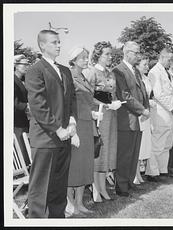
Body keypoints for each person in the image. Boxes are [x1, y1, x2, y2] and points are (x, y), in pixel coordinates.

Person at [25, 30, 77, 218]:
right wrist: (57, 129)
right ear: (42, 45)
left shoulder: (65, 70)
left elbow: (72, 99)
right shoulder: (35, 70)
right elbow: (38, 105)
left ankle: (57, 219)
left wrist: (72, 123)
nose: (59, 45)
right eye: (54, 42)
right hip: (45, 139)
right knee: (40, 189)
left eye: (59, 42)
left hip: (64, 137)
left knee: (58, 186)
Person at [84, 41, 121, 201]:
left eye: (111, 54)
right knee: (99, 151)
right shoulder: (91, 72)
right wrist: (105, 104)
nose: (110, 57)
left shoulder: (111, 73)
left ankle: (103, 187)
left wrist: (116, 102)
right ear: (98, 55)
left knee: (108, 152)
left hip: (111, 116)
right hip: (98, 117)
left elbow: (112, 94)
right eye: (107, 54)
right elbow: (87, 96)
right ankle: (95, 189)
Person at [66, 46, 101, 215]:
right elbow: (67, 104)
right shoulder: (69, 76)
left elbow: (86, 101)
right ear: (73, 59)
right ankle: (70, 203)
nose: (86, 60)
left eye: (87, 57)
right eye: (82, 57)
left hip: (87, 124)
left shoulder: (84, 77)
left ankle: (80, 203)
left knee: (85, 164)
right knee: (74, 165)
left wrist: (93, 111)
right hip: (76, 125)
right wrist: (71, 131)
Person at [112, 41, 150, 196]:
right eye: (136, 53)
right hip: (126, 120)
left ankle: (129, 182)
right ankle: (121, 187)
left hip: (137, 118)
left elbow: (142, 92)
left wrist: (145, 107)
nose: (138, 55)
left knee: (134, 153)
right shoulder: (119, 70)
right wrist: (142, 110)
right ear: (126, 53)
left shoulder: (134, 70)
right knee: (124, 154)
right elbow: (125, 95)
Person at [145, 48, 173, 182]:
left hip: (170, 113)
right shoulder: (154, 72)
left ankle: (163, 170)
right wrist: (172, 108)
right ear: (162, 57)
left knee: (167, 144)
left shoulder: (167, 73)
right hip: (161, 112)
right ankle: (152, 172)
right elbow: (158, 94)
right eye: (169, 60)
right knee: (157, 144)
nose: (170, 63)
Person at [134, 55, 153, 185]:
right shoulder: (135, 78)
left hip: (146, 113)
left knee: (144, 144)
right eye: (144, 64)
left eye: (147, 64)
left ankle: (139, 172)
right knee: (138, 145)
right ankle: (134, 174)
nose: (147, 67)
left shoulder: (146, 78)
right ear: (137, 65)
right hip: (139, 113)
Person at [14, 54, 31, 166]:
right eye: (24, 64)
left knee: (26, 150)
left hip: (23, 121)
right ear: (16, 65)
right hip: (17, 123)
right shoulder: (13, 81)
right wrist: (27, 106)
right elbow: (14, 104)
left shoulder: (22, 80)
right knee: (22, 151)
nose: (26, 67)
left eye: (27, 64)